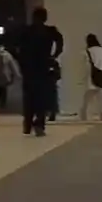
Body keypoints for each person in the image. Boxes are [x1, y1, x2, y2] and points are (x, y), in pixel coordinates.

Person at [15, 7, 63, 136]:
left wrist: (21, 60)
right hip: (43, 67)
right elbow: (60, 43)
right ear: (45, 17)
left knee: (29, 96)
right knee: (42, 96)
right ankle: (39, 123)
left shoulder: (25, 31)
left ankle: (27, 124)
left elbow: (15, 46)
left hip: (29, 68)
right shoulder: (50, 31)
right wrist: (53, 56)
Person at [81, 33, 102, 122]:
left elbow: (85, 66)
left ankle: (85, 116)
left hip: (91, 77)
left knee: (88, 99)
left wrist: (82, 78)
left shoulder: (87, 52)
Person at [0, 44, 18, 110]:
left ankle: (1, 102)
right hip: (5, 74)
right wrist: (16, 73)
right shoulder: (7, 55)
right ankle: (3, 102)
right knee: (4, 89)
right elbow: (12, 65)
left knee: (0, 89)